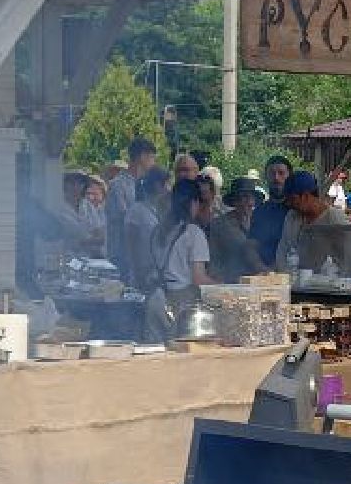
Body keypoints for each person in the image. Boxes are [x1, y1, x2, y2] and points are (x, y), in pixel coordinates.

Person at [145, 179, 214, 342]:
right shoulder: (194, 233)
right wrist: (223, 287)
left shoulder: (158, 230)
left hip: (156, 298)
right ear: (194, 202)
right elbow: (198, 279)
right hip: (180, 304)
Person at [275, 170, 349, 273]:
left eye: (292, 199)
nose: (289, 204)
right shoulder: (292, 217)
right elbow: (282, 251)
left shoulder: (335, 218)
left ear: (305, 196)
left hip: (329, 283)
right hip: (297, 282)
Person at [209, 179, 269, 281]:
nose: (243, 202)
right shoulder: (219, 225)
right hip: (231, 282)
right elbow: (212, 259)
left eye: (247, 197)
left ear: (254, 200)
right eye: (238, 198)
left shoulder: (262, 223)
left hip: (259, 282)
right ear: (233, 201)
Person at [250, 155, 296, 265]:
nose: (276, 178)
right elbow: (251, 248)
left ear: (289, 176)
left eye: (281, 173)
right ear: (266, 177)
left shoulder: (298, 211)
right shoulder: (259, 213)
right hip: (266, 275)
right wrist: (264, 271)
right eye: (272, 173)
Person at [107, 137, 158, 229]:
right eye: (152, 157)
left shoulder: (144, 184)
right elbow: (122, 219)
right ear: (142, 156)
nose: (154, 163)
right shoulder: (117, 185)